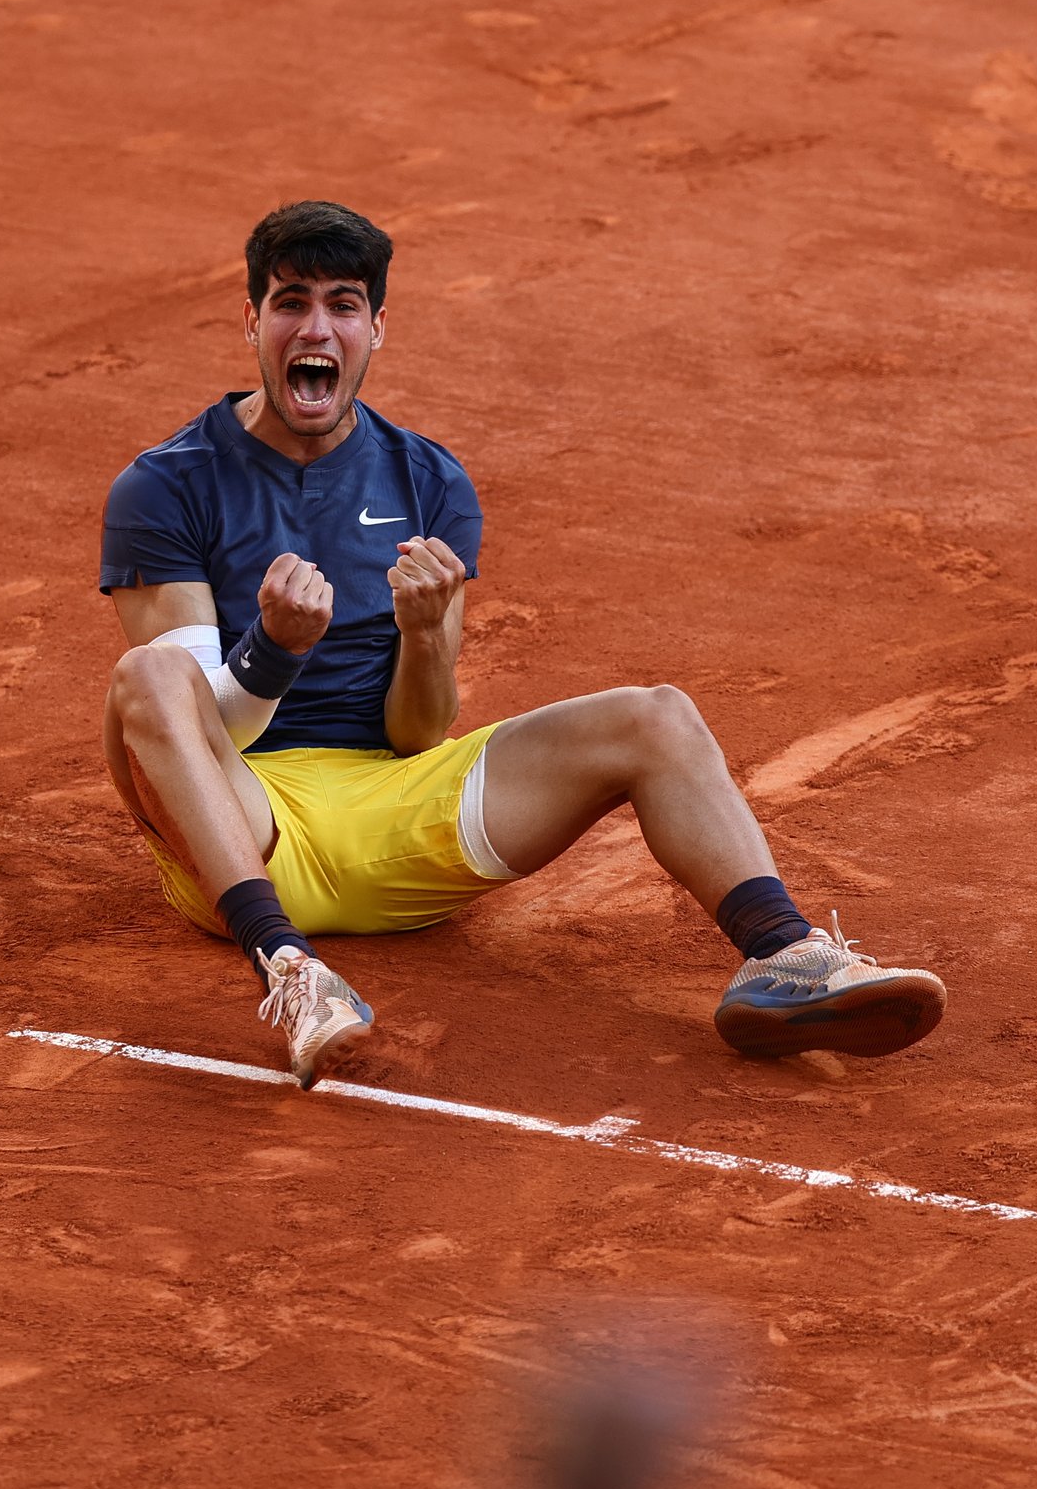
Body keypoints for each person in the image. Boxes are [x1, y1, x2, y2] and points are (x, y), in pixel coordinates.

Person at [99, 201, 945, 1086]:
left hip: (393, 820)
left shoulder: (428, 480)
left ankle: (783, 957)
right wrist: (272, 652)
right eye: (291, 302)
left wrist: (425, 634)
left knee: (655, 717)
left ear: (376, 329)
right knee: (148, 674)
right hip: (242, 830)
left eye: (343, 304)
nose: (317, 326)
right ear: (252, 321)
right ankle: (292, 973)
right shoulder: (166, 487)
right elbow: (198, 731)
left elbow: (418, 738)